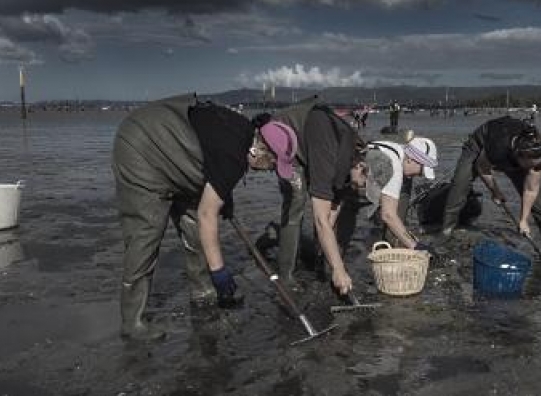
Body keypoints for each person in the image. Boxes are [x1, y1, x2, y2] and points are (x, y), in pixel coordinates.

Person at [112, 93, 279, 341]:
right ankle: (132, 321)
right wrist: (221, 273)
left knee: (195, 232)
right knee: (145, 235)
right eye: (272, 164)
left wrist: (225, 199)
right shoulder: (235, 153)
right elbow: (207, 214)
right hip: (142, 148)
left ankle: (203, 291)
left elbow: (214, 166)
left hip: (179, 158)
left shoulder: (243, 136)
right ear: (259, 149)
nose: (270, 171)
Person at [258, 96, 378, 295]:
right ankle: (286, 273)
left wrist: (331, 260)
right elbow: (321, 219)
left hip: (313, 141)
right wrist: (339, 270)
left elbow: (333, 209)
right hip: (284, 139)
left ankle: (319, 260)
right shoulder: (328, 159)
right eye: (363, 186)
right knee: (296, 200)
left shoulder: (354, 151)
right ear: (361, 166)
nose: (361, 190)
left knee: (327, 215)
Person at [441, 115, 541, 254]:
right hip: (479, 145)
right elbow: (482, 168)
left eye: (535, 166)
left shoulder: (539, 152)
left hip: (514, 155)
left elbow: (531, 190)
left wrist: (523, 220)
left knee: (537, 199)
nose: (532, 169)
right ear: (518, 155)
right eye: (529, 166)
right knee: (459, 185)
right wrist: (495, 191)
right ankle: (446, 231)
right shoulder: (498, 148)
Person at [365, 137, 438, 250]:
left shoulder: (396, 149)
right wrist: (415, 246)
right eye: (421, 171)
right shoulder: (394, 167)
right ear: (410, 159)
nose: (419, 176)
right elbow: (388, 215)